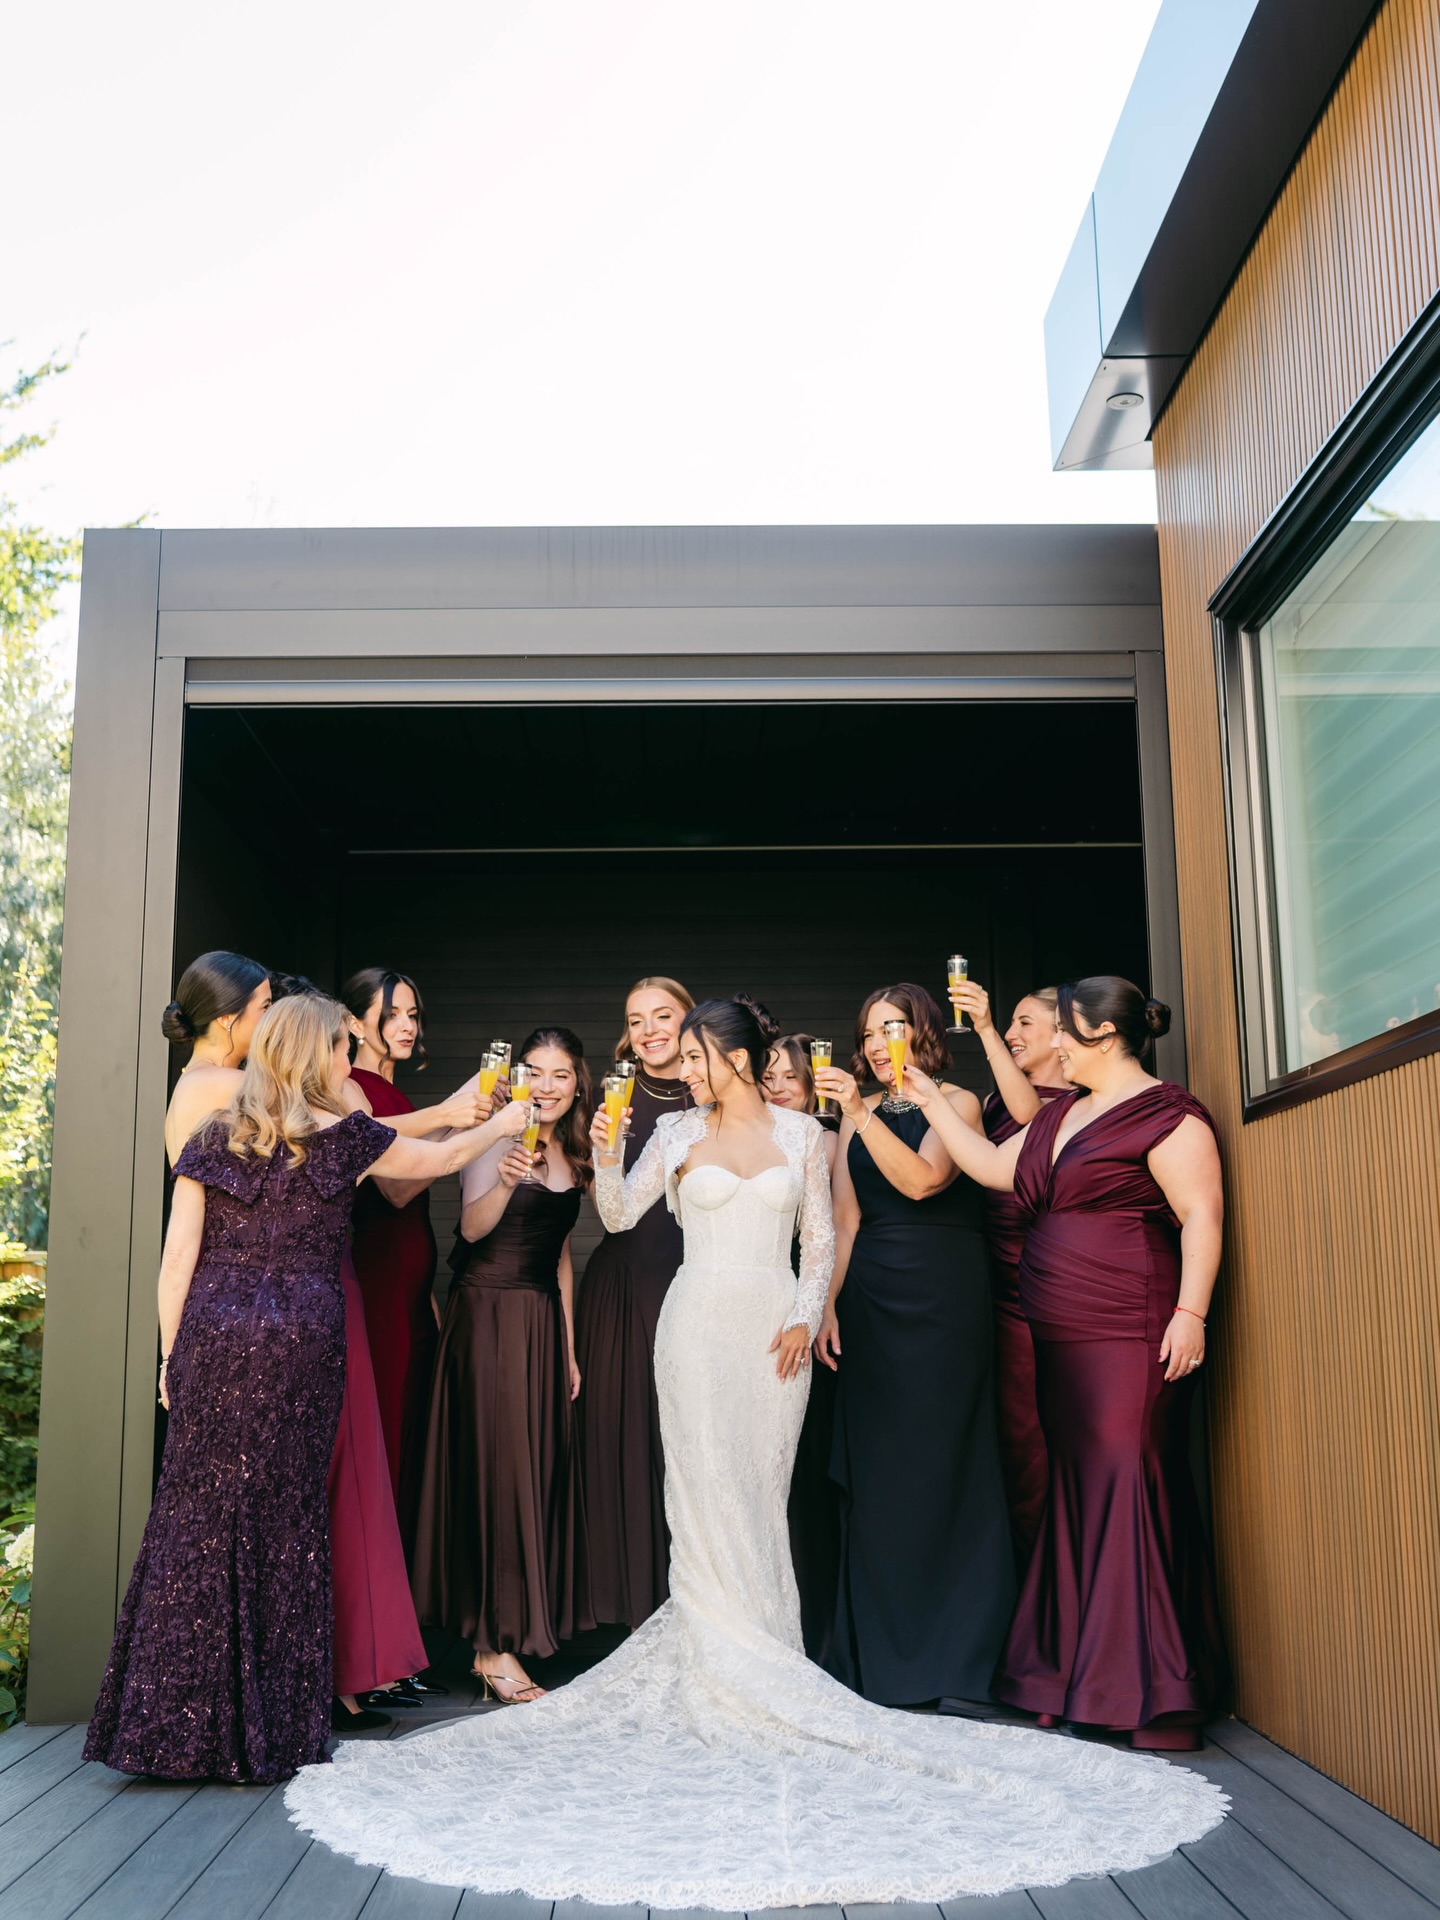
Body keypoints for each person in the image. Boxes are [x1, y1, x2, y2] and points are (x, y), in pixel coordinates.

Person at [285, 993, 1225, 1905]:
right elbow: (619, 1215)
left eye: (697, 1057)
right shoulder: (671, 1132)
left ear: (733, 1058)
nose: (683, 1071)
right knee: (701, 1500)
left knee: (759, 1498)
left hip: (773, 1334)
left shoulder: (805, 1134)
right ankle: (715, 1669)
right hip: (693, 1329)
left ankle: (767, 1657)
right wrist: (606, 1153)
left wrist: (806, 1313)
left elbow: (821, 1236)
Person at [86, 995, 530, 1783]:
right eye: (341, 1046)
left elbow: (178, 1255)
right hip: (299, 1340)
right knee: (286, 1525)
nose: (347, 1060)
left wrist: (169, 1356)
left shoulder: (213, 1137)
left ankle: (167, 1731)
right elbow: (433, 1162)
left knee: (194, 1522)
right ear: (316, 1052)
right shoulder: (344, 1136)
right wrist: (504, 1124)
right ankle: (270, 1726)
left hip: (213, 1335)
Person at [901, 976, 1228, 1752]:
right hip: (1062, 1336)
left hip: (1131, 1324)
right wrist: (930, 1098)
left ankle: (1148, 1692)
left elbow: (1201, 1216)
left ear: (1103, 1037)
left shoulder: (1169, 1114)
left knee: (1126, 1480)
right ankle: (1069, 1676)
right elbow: (992, 1169)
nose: (1050, 1045)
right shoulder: (1062, 1113)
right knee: (1078, 1492)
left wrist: (1191, 1313)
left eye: (1062, 1033)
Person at [813, 984, 1015, 1710]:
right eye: (868, 1032)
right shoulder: (855, 1114)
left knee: (947, 1462)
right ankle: (882, 1660)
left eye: (892, 1028)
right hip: (871, 1296)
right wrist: (827, 1303)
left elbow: (925, 1181)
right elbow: (846, 1219)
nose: (876, 1044)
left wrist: (861, 1114)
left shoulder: (955, 1102)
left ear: (924, 1031)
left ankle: (956, 1656)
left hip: (943, 1294)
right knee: (882, 1472)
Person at [412, 1027, 595, 1703]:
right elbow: (470, 1229)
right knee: (496, 1475)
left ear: (578, 1083)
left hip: (540, 1322)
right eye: (535, 1072)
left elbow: (562, 1254)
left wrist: (567, 1346)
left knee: (534, 1475)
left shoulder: (575, 1148)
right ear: (518, 1078)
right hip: (488, 1319)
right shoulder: (494, 1135)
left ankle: (510, 1632)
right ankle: (491, 1649)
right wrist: (506, 1178)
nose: (547, 1086)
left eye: (560, 1075)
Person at [341, 966, 487, 1557]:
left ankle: (403, 1572)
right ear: (354, 1024)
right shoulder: (351, 1088)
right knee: (387, 1421)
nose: (406, 1025)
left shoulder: (397, 1094)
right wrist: (459, 1118)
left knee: (411, 1423)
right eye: (391, 1014)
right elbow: (397, 1190)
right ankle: (379, 1569)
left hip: (410, 1286)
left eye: (412, 1014)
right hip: (378, 1279)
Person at [573, 976, 694, 1631]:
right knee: (627, 1444)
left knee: (689, 1448)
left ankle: (697, 1604)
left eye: (663, 1016)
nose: (649, 1031)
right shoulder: (614, 1096)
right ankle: (631, 1609)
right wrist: (605, 1148)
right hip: (624, 1289)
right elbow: (609, 1209)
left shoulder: (716, 1094)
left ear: (690, 1021)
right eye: (636, 1019)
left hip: (696, 1285)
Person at [957, 980, 1070, 1569]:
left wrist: (982, 1029)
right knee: (1001, 1434)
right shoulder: (996, 1098)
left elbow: (1033, 1118)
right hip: (988, 1281)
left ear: (1062, 1033)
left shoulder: (1073, 1101)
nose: (1011, 1033)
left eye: (1025, 1023)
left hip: (1036, 1283)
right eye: (1009, 1023)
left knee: (1034, 1438)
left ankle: (1048, 1574)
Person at [763, 1032, 840, 1661]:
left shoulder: (822, 1136)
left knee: (808, 1466)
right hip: (761, 1304)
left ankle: (812, 1624)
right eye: (769, 1078)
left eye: (791, 1076)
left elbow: (832, 1228)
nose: (779, 1087)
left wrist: (816, 1310)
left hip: (814, 1303)